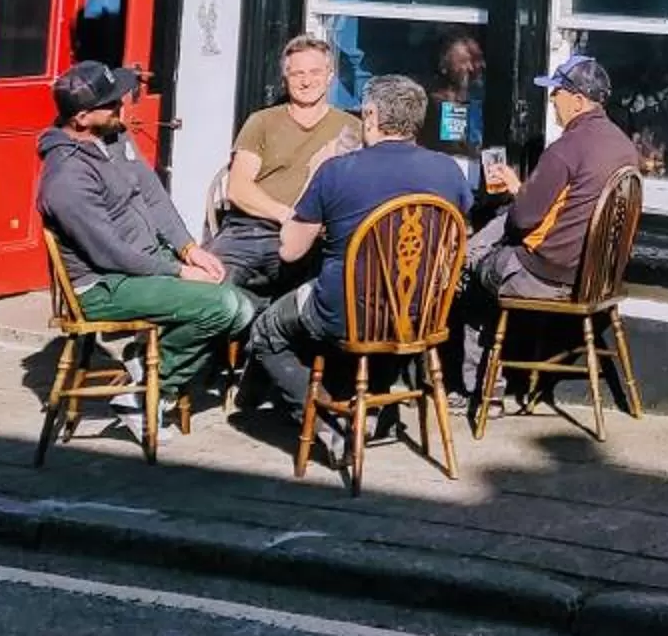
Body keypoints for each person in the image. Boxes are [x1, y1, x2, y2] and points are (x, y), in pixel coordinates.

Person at [240, 74, 470, 413]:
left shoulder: (336, 170)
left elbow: (290, 250)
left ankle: (326, 422)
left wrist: (313, 172)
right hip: (420, 313)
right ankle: (371, 407)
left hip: (346, 313)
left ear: (373, 116)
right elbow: (456, 237)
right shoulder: (449, 170)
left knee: (266, 330)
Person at [34, 59, 253, 406]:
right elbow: (111, 253)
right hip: (103, 284)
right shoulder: (66, 180)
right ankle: (147, 392)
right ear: (82, 118)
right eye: (111, 102)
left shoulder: (113, 134)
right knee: (222, 306)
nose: (122, 103)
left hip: (146, 263)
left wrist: (188, 248)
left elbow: (152, 194)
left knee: (242, 302)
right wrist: (180, 271)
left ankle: (144, 364)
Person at [460, 53, 640, 389]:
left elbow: (524, 217)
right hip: (599, 279)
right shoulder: (624, 146)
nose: (552, 99)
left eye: (556, 92)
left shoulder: (566, 148)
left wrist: (517, 193)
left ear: (577, 100)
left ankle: (482, 390)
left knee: (475, 272)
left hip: (549, 277)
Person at [206, 35, 361, 293]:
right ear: (285, 79)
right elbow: (238, 189)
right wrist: (287, 215)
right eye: (297, 73)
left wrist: (306, 225)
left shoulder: (350, 128)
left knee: (321, 297)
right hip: (251, 230)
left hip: (316, 237)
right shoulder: (262, 122)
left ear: (330, 75)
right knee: (210, 287)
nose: (307, 81)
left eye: (315, 72)